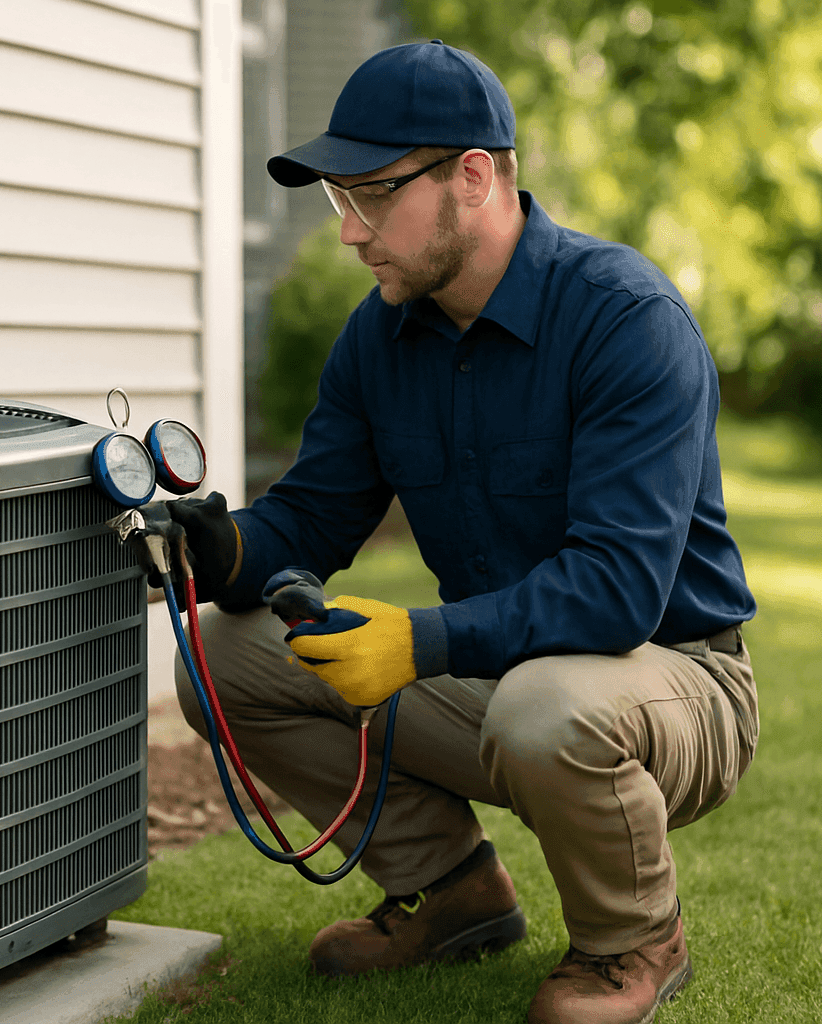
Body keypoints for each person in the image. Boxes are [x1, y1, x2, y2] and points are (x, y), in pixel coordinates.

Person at [155, 39, 758, 1024]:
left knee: (545, 705)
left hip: (678, 679)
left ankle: (632, 942)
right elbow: (312, 514)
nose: (349, 232)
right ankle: (451, 890)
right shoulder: (380, 336)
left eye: (371, 195)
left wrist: (416, 642)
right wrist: (218, 552)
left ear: (472, 177)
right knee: (221, 655)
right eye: (335, 199)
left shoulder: (627, 320)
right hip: (505, 679)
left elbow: (615, 593)